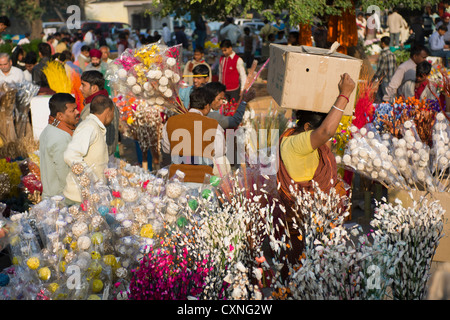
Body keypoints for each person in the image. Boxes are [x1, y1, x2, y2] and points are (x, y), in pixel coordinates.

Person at [276, 73, 356, 265]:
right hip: (304, 220)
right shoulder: (296, 142)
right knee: (305, 268)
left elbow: (326, 133)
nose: (325, 138)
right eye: (317, 131)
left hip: (314, 216)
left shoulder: (299, 138)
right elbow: (326, 131)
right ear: (307, 126)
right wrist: (344, 95)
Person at [161, 86, 229, 184]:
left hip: (175, 181)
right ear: (207, 106)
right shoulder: (214, 125)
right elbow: (219, 153)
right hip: (202, 181)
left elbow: (166, 149)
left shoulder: (171, 122)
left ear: (189, 104)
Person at [63, 95, 116, 205]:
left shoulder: (95, 127)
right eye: (113, 113)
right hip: (79, 198)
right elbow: (70, 155)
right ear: (108, 111)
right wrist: (93, 179)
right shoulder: (89, 127)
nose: (113, 116)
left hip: (90, 196)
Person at [39, 93, 80, 198]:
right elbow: (63, 171)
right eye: (72, 111)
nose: (77, 112)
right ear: (60, 116)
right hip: (61, 198)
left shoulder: (48, 130)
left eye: (76, 108)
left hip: (51, 194)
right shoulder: (61, 137)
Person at [80, 70, 119, 157]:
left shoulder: (91, 106)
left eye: (83, 85)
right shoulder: (112, 104)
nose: (80, 88)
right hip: (109, 156)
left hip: (96, 159)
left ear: (94, 88)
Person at [373, 36, 397, 102]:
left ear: (383, 43)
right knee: (389, 97)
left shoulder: (383, 55)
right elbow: (395, 67)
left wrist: (374, 78)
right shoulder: (392, 54)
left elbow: (380, 69)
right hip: (392, 79)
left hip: (385, 79)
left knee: (384, 98)